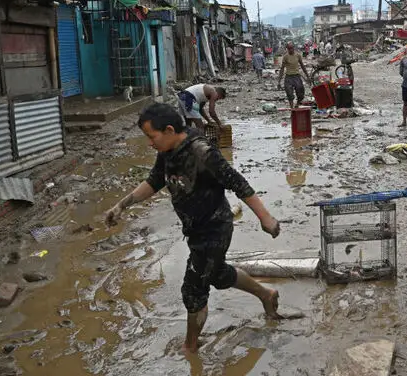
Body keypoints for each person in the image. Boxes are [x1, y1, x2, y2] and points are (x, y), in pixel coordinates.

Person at [105, 103, 282, 354]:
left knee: (194, 288)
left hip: (214, 229)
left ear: (168, 130)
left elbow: (237, 183)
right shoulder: (168, 151)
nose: (149, 143)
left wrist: (266, 218)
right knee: (218, 274)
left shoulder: (202, 153)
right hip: (195, 229)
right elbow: (155, 181)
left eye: (151, 137)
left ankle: (190, 348)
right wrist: (121, 205)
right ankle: (266, 294)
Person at [277, 43, 312, 108]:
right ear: (287, 49)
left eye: (291, 48)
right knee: (289, 94)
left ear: (294, 48)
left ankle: (297, 104)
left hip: (297, 76)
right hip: (288, 77)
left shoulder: (298, 55)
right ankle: (292, 108)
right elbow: (282, 68)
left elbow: (302, 66)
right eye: (289, 49)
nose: (290, 50)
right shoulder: (285, 57)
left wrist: (308, 76)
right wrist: (279, 81)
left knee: (301, 93)